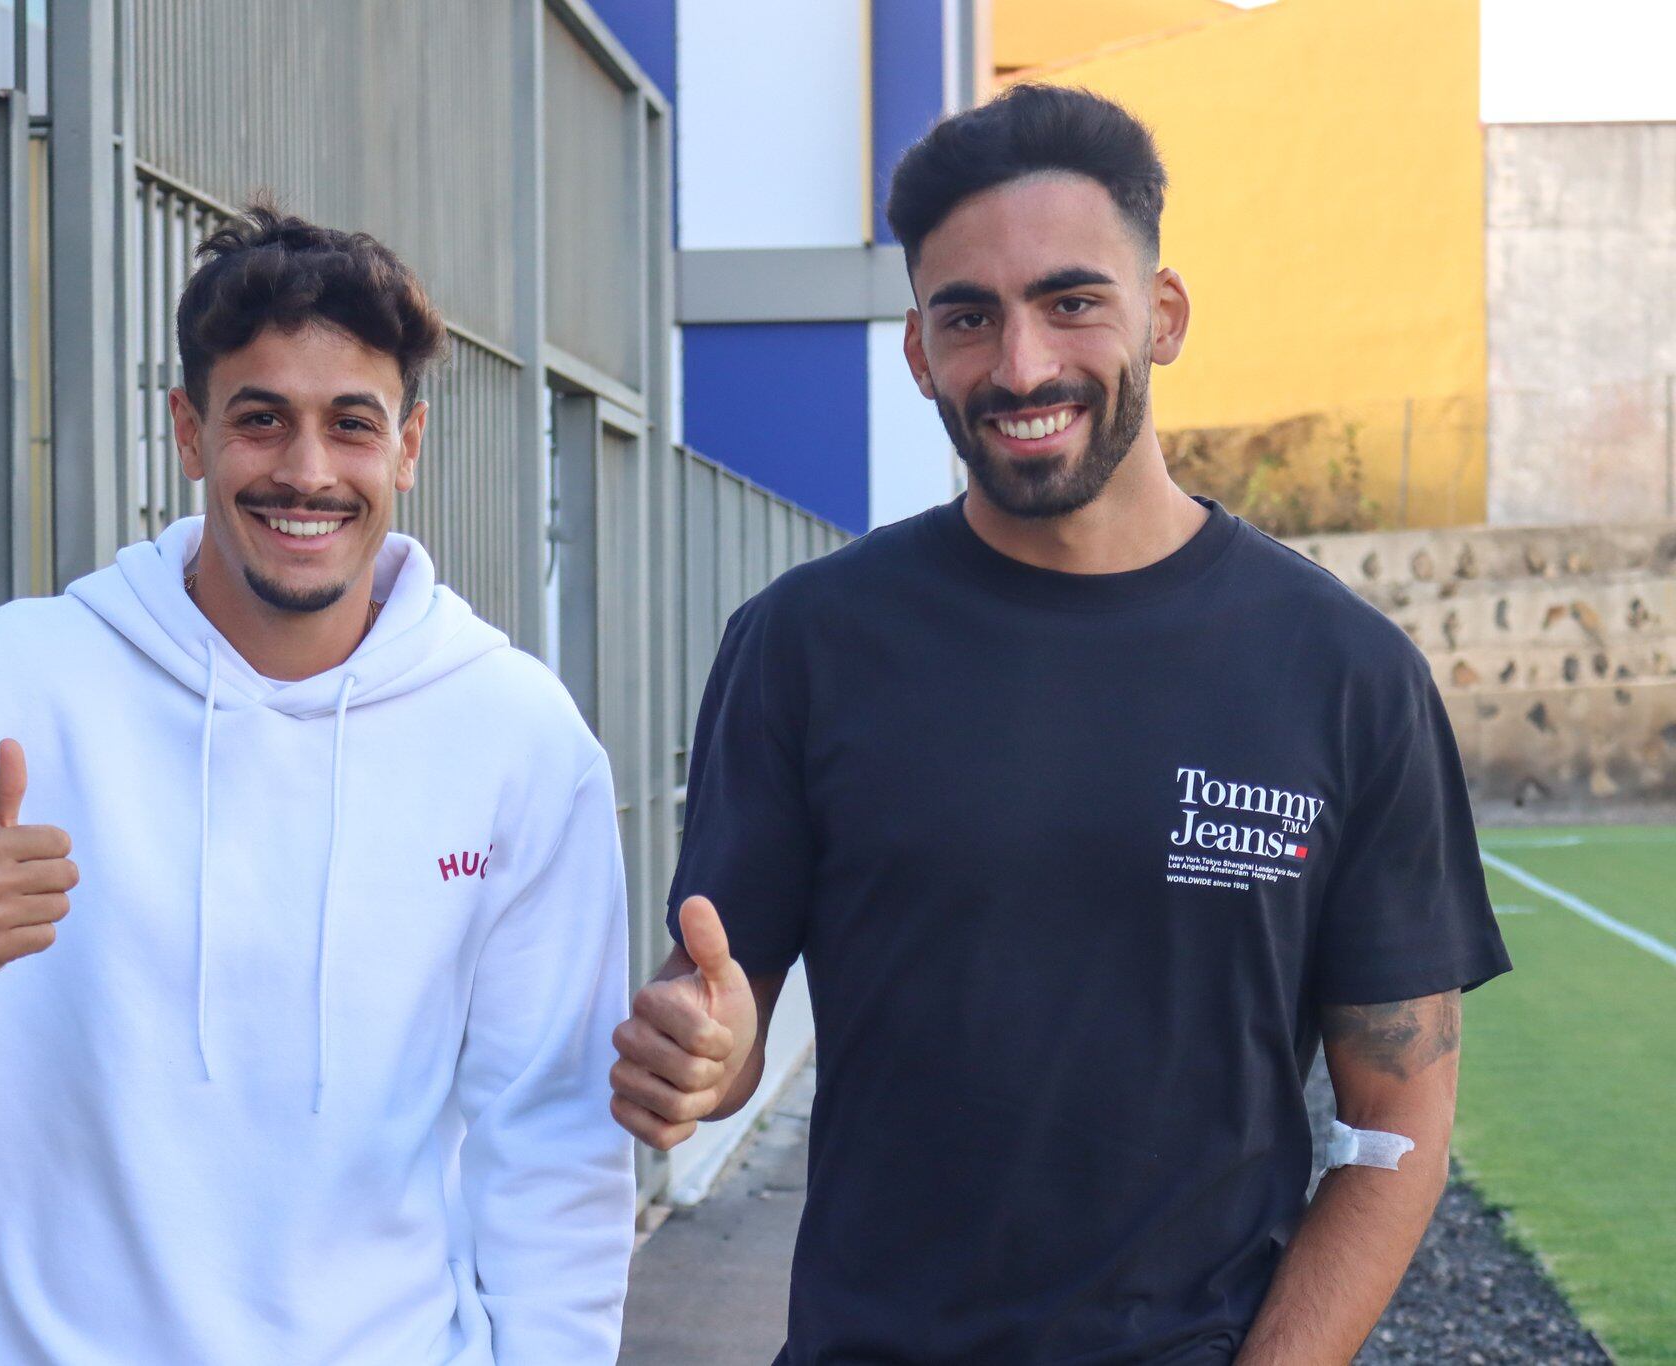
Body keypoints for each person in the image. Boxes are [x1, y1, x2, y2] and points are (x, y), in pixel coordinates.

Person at [611, 85, 1511, 1365]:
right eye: (966, 318)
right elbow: (725, 1010)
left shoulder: (1343, 673)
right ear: (919, 352)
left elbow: (1397, 1123)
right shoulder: (805, 643)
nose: (1020, 365)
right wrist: (696, 1054)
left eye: (1071, 301)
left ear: (1163, 315)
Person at [0, 208, 634, 1364]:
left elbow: (550, 1142)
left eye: (349, 425)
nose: (306, 471)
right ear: (188, 432)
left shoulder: (517, 737)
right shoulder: (12, 680)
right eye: (260, 420)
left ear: (406, 447)